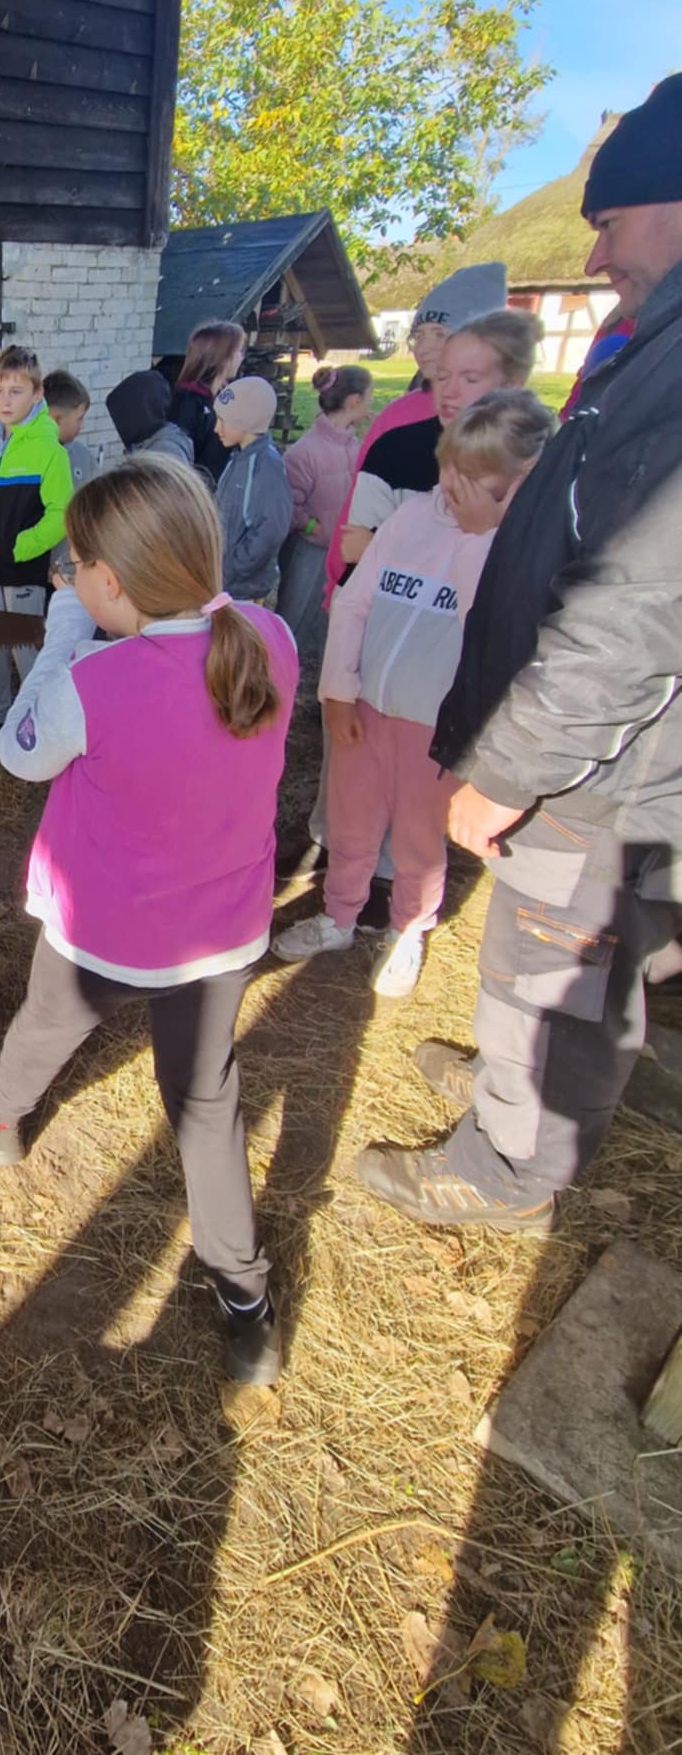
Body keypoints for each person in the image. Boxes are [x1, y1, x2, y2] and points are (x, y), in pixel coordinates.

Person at [354, 72, 682, 1231]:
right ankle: (515, 1089)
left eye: (610, 220)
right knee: (547, 957)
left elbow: (638, 603)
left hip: (607, 775)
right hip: (598, 763)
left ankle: (505, 1166)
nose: (594, 253)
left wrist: (510, 764)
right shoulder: (658, 348)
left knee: (553, 963)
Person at [0, 456, 297, 1385]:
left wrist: (63, 634)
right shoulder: (269, 634)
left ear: (110, 583)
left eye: (77, 566)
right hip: (223, 930)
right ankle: (246, 1303)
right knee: (206, 1105)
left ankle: (2, 1123)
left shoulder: (93, 681)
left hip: (106, 931)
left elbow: (19, 755)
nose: (69, 576)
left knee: (47, 1024)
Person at [273, 391, 553, 997]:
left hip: (434, 727)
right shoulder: (410, 519)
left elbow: (496, 653)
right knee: (351, 818)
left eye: (469, 482)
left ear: (518, 484)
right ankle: (338, 915)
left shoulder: (512, 551)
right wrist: (339, 690)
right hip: (365, 708)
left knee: (419, 838)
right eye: (448, 472)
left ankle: (408, 929)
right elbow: (355, 602)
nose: (449, 490)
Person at [326, 264, 506, 600]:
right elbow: (358, 511)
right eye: (418, 335)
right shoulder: (397, 420)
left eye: (439, 333)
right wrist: (337, 582)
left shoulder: (517, 441)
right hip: (373, 595)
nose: (424, 346)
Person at [0, 344, 72, 753]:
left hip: (21, 570)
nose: (5, 401)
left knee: (25, 649)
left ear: (37, 394)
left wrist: (23, 547)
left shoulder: (49, 451)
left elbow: (61, 512)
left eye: (16, 391)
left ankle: (39, 719)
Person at [275, 363, 373, 672]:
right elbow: (289, 504)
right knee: (294, 613)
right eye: (369, 396)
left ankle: (317, 673)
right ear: (354, 401)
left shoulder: (357, 448)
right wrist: (312, 526)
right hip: (309, 551)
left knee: (330, 616)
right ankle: (278, 673)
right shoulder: (305, 452)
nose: (372, 403)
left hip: (342, 550)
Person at [106, 320, 246, 477]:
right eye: (239, 350)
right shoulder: (188, 403)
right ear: (222, 355)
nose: (242, 357)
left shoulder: (220, 400)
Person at [213, 376, 292, 602]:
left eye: (223, 420)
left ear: (246, 422)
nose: (216, 428)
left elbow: (270, 531)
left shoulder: (266, 467)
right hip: (227, 585)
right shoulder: (239, 458)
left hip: (244, 591)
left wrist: (229, 570)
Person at [43, 370, 94, 492]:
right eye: (79, 419)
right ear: (56, 419)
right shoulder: (30, 458)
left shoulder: (83, 456)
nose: (82, 426)